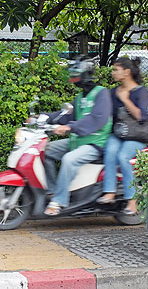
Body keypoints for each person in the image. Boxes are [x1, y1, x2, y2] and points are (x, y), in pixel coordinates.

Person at [43, 56, 112, 216]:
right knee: (45, 150)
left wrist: (69, 127)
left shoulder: (102, 94)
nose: (73, 79)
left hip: (95, 143)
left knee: (69, 159)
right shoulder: (81, 97)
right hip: (78, 141)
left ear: (86, 74)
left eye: (76, 74)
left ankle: (58, 201)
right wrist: (43, 117)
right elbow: (65, 115)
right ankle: (52, 191)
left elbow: (97, 119)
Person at [97, 57, 148, 215]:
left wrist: (125, 99)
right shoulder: (113, 92)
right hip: (118, 134)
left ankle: (132, 201)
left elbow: (141, 116)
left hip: (137, 136)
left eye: (115, 69)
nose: (113, 73)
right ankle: (110, 192)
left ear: (126, 72)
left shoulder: (141, 91)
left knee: (123, 157)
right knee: (110, 152)